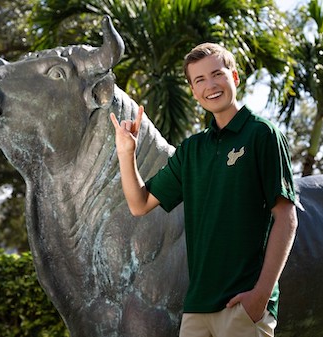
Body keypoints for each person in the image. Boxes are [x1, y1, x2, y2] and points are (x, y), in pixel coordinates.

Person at [110, 42, 298, 337]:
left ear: (234, 77)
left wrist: (260, 297)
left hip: (244, 307)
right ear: (194, 92)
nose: (210, 85)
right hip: (197, 309)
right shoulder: (191, 150)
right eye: (199, 80)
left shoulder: (262, 134)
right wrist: (126, 153)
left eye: (217, 74)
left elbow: (287, 217)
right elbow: (139, 203)